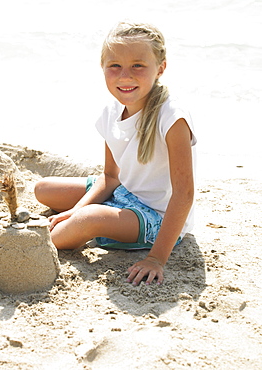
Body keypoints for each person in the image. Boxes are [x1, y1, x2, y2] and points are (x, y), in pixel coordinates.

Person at [34, 21, 196, 286]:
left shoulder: (172, 118)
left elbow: (184, 194)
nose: (125, 76)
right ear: (103, 68)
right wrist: (74, 210)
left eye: (138, 66)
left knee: (88, 219)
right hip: (125, 194)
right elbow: (111, 177)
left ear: (161, 68)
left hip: (158, 215)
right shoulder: (111, 112)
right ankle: (93, 216)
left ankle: (30, 242)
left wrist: (156, 259)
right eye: (115, 66)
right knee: (44, 189)